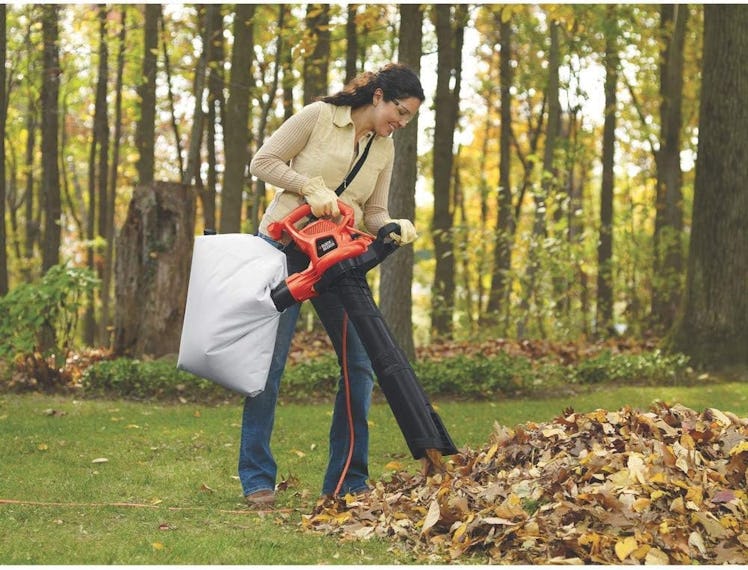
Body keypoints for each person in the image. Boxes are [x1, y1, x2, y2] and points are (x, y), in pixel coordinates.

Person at [238, 63, 425, 507]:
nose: (400, 122)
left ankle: (348, 480)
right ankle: (256, 476)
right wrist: (309, 187)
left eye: (409, 118)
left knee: (359, 366)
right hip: (284, 247)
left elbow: (373, 210)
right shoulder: (318, 117)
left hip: (339, 259)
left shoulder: (385, 147)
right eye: (398, 110)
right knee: (269, 365)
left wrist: (392, 225)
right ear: (377, 96)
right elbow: (261, 161)